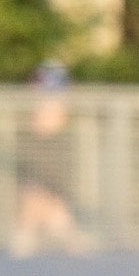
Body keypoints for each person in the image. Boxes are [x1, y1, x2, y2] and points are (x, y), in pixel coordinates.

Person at [12, 59, 91, 256]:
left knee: (52, 200)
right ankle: (28, 234)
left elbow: (52, 121)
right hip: (39, 146)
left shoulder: (60, 103)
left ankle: (57, 234)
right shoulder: (39, 101)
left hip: (53, 147)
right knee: (34, 194)